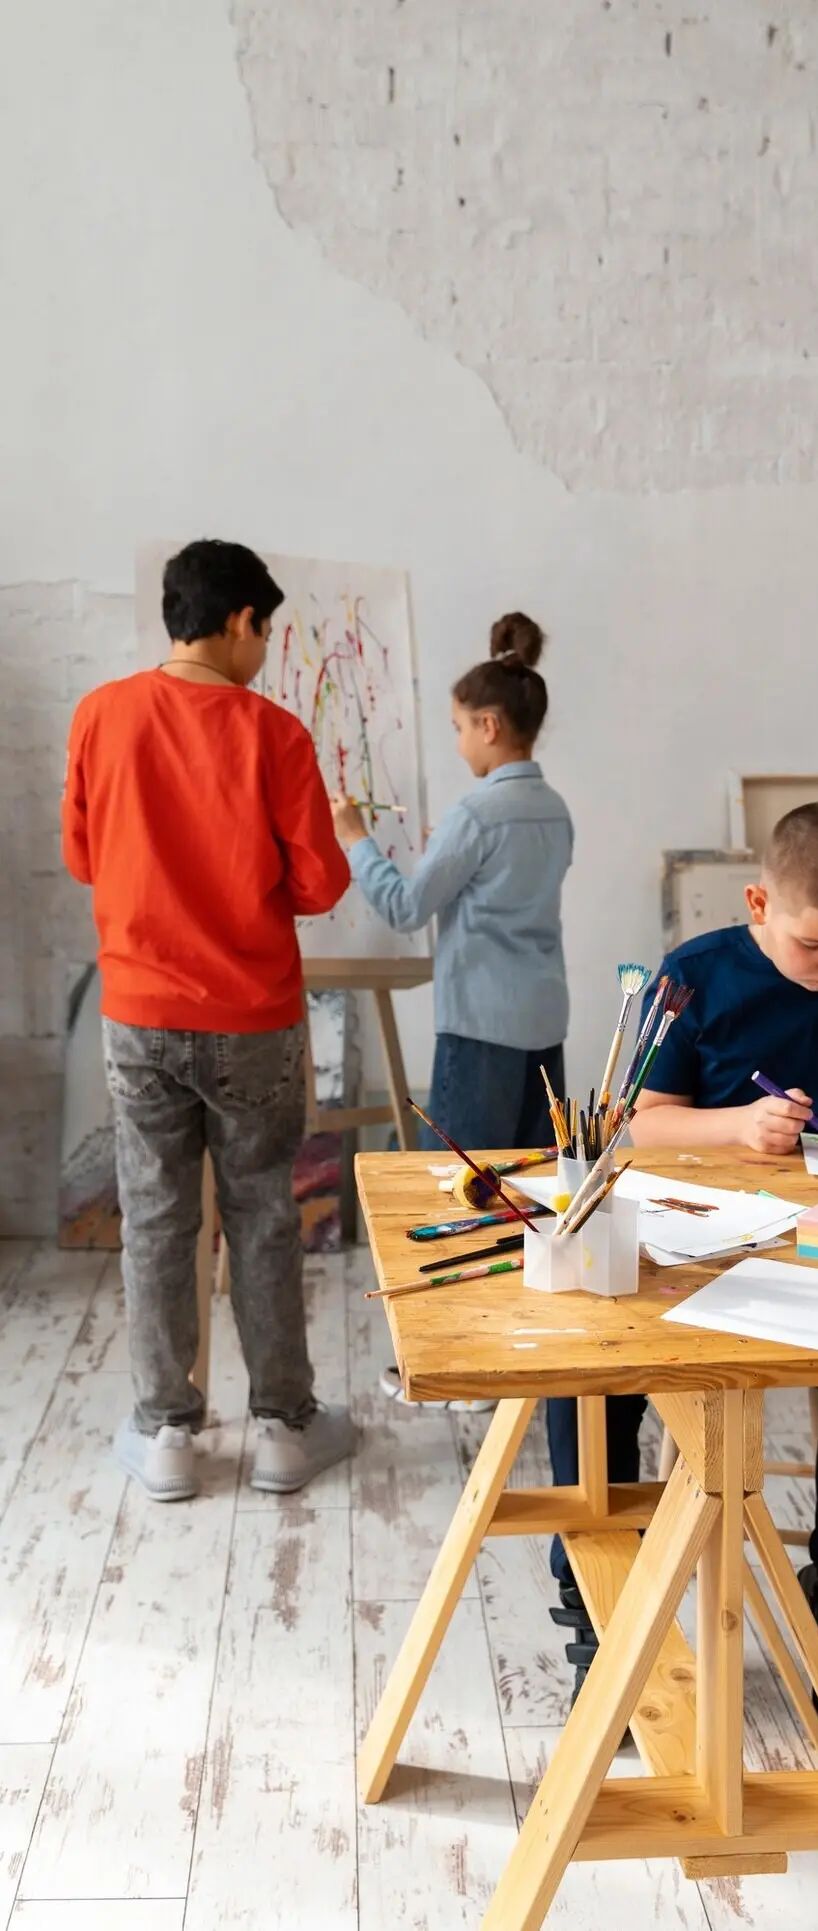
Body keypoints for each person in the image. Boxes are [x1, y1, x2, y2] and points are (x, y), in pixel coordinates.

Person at [544, 803, 818, 1752]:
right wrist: (735, 1128)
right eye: (812, 945)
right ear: (759, 900)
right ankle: (599, 1611)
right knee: (590, 1369)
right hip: (691, 1227)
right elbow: (633, 1121)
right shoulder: (694, 977)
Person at [61, 538, 359, 1502]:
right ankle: (282, 1424)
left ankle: (166, 1435)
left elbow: (81, 856)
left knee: (154, 1216)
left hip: (138, 1012)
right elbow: (319, 883)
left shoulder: (99, 716)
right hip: (252, 1018)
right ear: (240, 622)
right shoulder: (273, 735)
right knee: (262, 1211)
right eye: (263, 631)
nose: (264, 650)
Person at [332, 613, 573, 1409]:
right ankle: (528, 1348)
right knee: (532, 1195)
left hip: (478, 1025)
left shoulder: (479, 814)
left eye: (461, 729)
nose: (459, 744)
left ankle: (462, 1362)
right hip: (543, 1020)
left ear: (491, 725)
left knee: (462, 1193)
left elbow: (404, 904)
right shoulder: (553, 811)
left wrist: (355, 838)